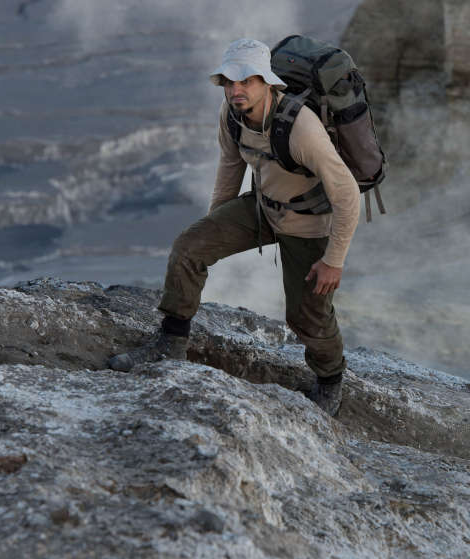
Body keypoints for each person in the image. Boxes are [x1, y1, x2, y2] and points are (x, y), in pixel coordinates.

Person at [108, 38, 361, 416]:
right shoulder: (232, 113)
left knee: (307, 315)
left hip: (308, 222)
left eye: (247, 81)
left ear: (268, 83)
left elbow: (348, 195)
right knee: (189, 247)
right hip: (262, 208)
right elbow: (230, 169)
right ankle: (170, 343)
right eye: (229, 81)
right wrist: (214, 229)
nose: (236, 89)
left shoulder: (301, 128)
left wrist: (333, 260)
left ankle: (330, 381)